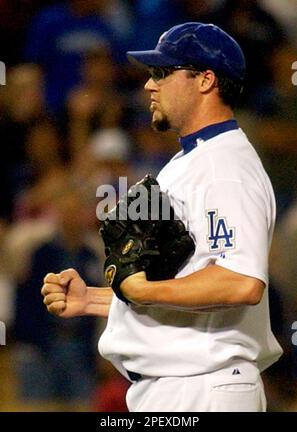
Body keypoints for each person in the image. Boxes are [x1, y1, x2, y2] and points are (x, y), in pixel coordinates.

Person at [41, 22, 283, 412]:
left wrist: (141, 290)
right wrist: (97, 300)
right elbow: (187, 284)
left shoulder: (224, 167)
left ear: (205, 80)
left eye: (161, 73)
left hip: (203, 387)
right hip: (183, 385)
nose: (149, 86)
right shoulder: (193, 158)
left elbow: (241, 283)